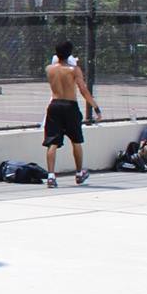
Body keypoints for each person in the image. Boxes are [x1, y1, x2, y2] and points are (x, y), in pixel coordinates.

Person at [41, 39, 98, 188]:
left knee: (52, 142)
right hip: (70, 105)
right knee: (76, 140)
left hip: (54, 105)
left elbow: (56, 66)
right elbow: (83, 90)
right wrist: (95, 107)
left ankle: (51, 176)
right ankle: (79, 173)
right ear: (70, 53)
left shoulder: (49, 69)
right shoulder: (74, 70)